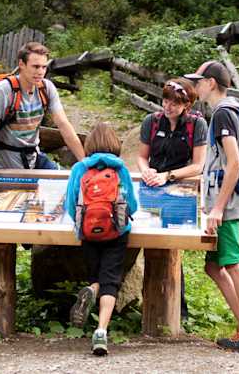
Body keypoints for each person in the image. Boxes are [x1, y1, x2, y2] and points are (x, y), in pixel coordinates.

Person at [184, 61, 239, 353]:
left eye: (198, 81)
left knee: (232, 263)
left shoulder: (222, 114)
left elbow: (235, 163)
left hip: (227, 204)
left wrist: (217, 208)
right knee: (213, 266)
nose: (195, 87)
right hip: (224, 200)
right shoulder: (237, 107)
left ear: (211, 83)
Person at [0, 42, 85, 190]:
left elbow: (64, 125)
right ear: (21, 64)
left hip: (34, 155)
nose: (40, 72)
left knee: (64, 189)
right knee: (18, 198)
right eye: (35, 67)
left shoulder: (46, 88)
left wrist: (84, 163)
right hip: (6, 161)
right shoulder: (3, 91)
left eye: (44, 67)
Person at [136, 77, 207, 323]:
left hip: (180, 188)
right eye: (166, 100)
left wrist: (170, 176)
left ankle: (179, 309)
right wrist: (146, 170)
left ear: (186, 104)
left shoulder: (197, 125)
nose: (168, 106)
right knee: (146, 238)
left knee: (171, 245)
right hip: (152, 186)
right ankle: (146, 300)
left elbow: (199, 165)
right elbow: (142, 157)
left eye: (175, 103)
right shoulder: (151, 122)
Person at [64, 123, 138, 357]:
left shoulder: (79, 168)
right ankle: (101, 331)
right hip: (116, 233)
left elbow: (70, 203)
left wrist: (80, 225)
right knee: (111, 281)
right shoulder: (120, 168)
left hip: (88, 233)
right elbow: (132, 204)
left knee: (96, 274)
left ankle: (90, 287)